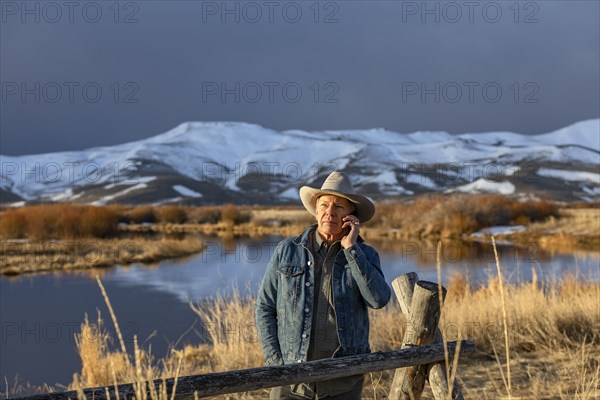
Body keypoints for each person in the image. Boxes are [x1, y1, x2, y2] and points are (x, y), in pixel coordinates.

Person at [255, 171, 391, 399]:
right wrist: (276, 364)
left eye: (338, 207)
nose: (330, 213)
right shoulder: (287, 250)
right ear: (316, 210)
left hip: (343, 379)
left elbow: (378, 300)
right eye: (325, 205)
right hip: (290, 380)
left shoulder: (365, 254)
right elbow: (265, 308)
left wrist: (351, 249)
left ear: (351, 216)